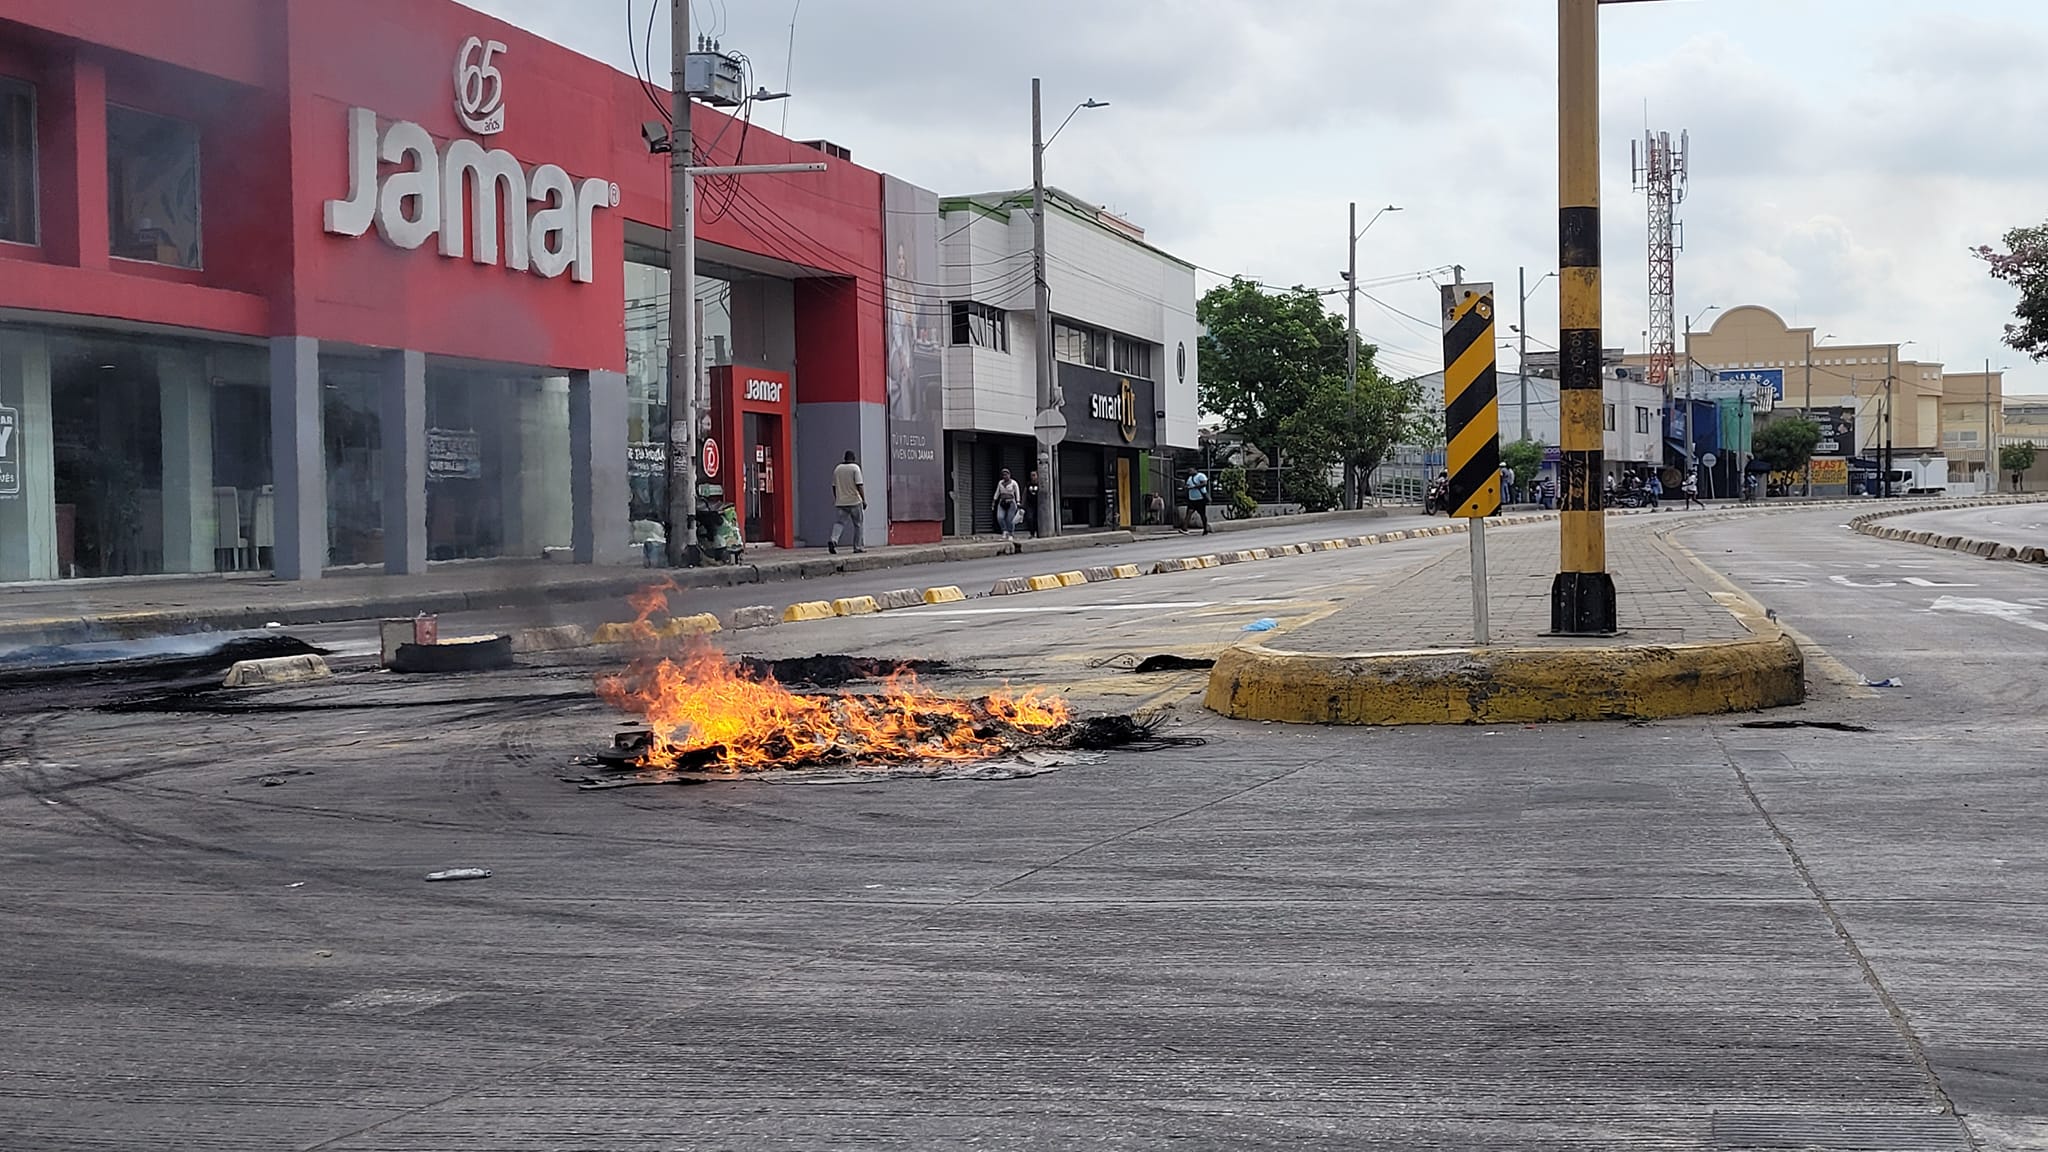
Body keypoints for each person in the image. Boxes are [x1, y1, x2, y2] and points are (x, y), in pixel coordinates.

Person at [829, 450, 865, 554]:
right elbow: (859, 485)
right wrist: (864, 500)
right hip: (854, 501)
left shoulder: (837, 469)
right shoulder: (855, 468)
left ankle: (833, 540)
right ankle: (857, 547)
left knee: (839, 523)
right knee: (858, 524)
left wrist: (837, 498)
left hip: (841, 502)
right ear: (853, 458)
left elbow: (834, 486)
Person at [992, 468, 1023, 541]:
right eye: (1003, 475)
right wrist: (994, 500)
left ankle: (1011, 533)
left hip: (1011, 502)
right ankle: (1004, 531)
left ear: (1009, 475)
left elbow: (1017, 492)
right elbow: (997, 492)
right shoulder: (1000, 483)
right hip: (1002, 502)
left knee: (1010, 519)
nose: (1005, 476)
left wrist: (1018, 501)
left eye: (1006, 474)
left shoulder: (1013, 483)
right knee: (1000, 517)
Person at [1185, 468, 1212, 534]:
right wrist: (1186, 487)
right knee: (1189, 513)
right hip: (1192, 499)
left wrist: (1194, 487)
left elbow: (1204, 483)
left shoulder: (1201, 475)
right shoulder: (1190, 478)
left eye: (1191, 470)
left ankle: (1205, 528)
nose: (1190, 472)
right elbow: (1188, 485)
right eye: (1189, 471)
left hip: (1200, 499)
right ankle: (1184, 528)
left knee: (1202, 514)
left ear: (1195, 470)